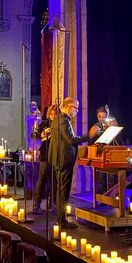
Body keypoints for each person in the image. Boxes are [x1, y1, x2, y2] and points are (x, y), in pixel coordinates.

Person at [48, 97, 89, 229]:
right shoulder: (63, 120)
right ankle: (62, 219)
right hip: (64, 159)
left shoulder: (56, 120)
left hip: (58, 159)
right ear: (69, 107)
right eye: (76, 108)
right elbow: (70, 140)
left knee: (61, 189)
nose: (77, 111)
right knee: (63, 190)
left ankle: (61, 218)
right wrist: (88, 136)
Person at [31, 104, 57, 214]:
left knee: (55, 180)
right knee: (42, 179)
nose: (53, 117)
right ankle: (37, 204)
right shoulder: (45, 123)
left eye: (56, 115)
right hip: (46, 153)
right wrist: (41, 134)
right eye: (51, 114)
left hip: (56, 154)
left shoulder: (61, 125)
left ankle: (54, 204)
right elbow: (34, 134)